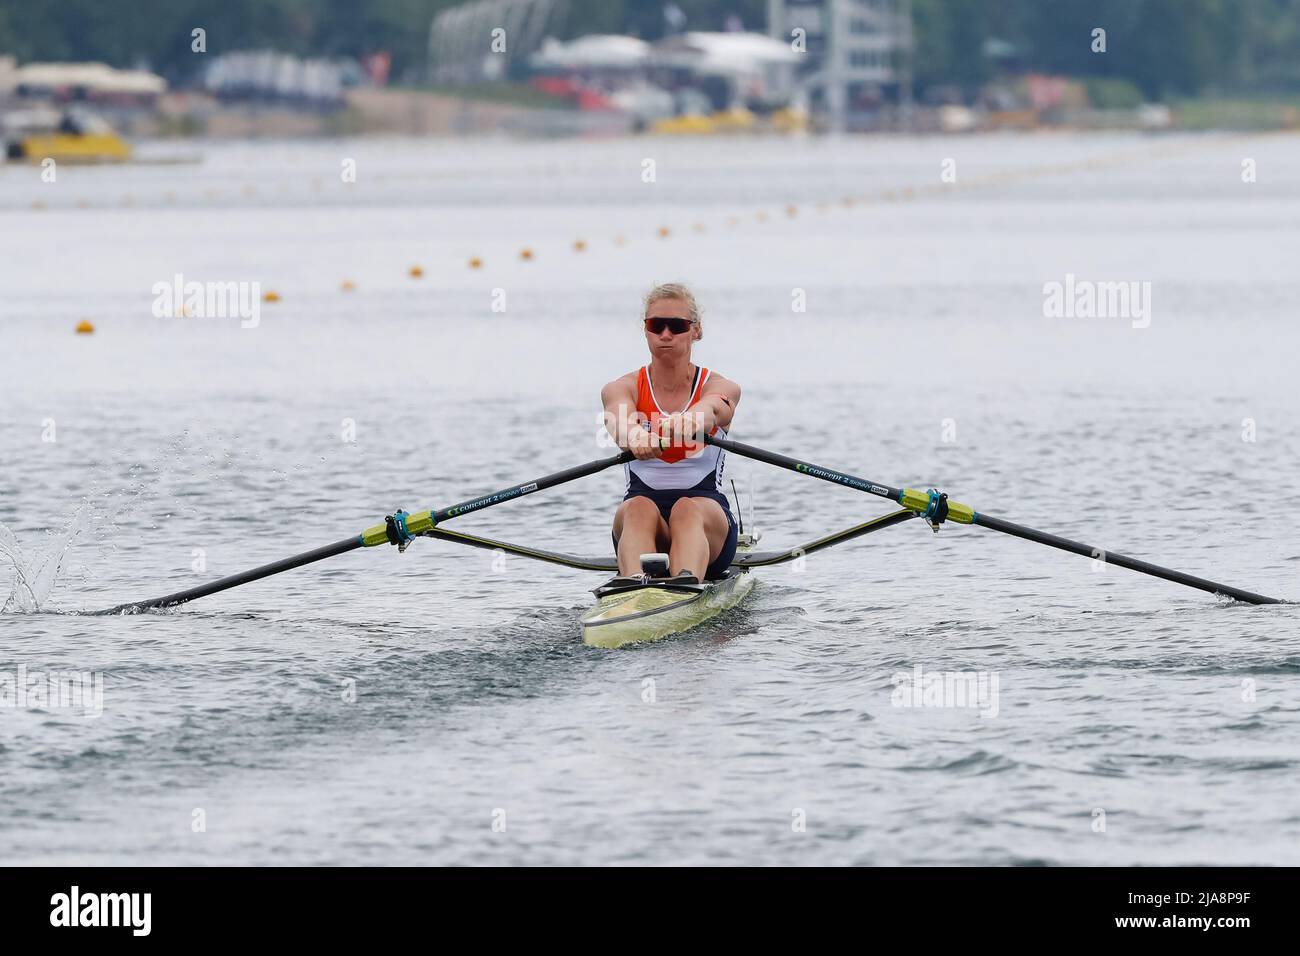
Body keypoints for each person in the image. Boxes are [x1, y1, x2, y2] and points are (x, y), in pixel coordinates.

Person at [601, 283, 742, 583]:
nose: (665, 334)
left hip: (708, 522)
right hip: (641, 520)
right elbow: (618, 420)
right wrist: (635, 436)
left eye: (676, 326)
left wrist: (691, 420)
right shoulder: (621, 387)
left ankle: (685, 584)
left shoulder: (720, 386)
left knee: (685, 509)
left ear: (696, 331)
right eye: (656, 325)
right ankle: (634, 589)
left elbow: (715, 408)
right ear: (646, 330)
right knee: (637, 508)